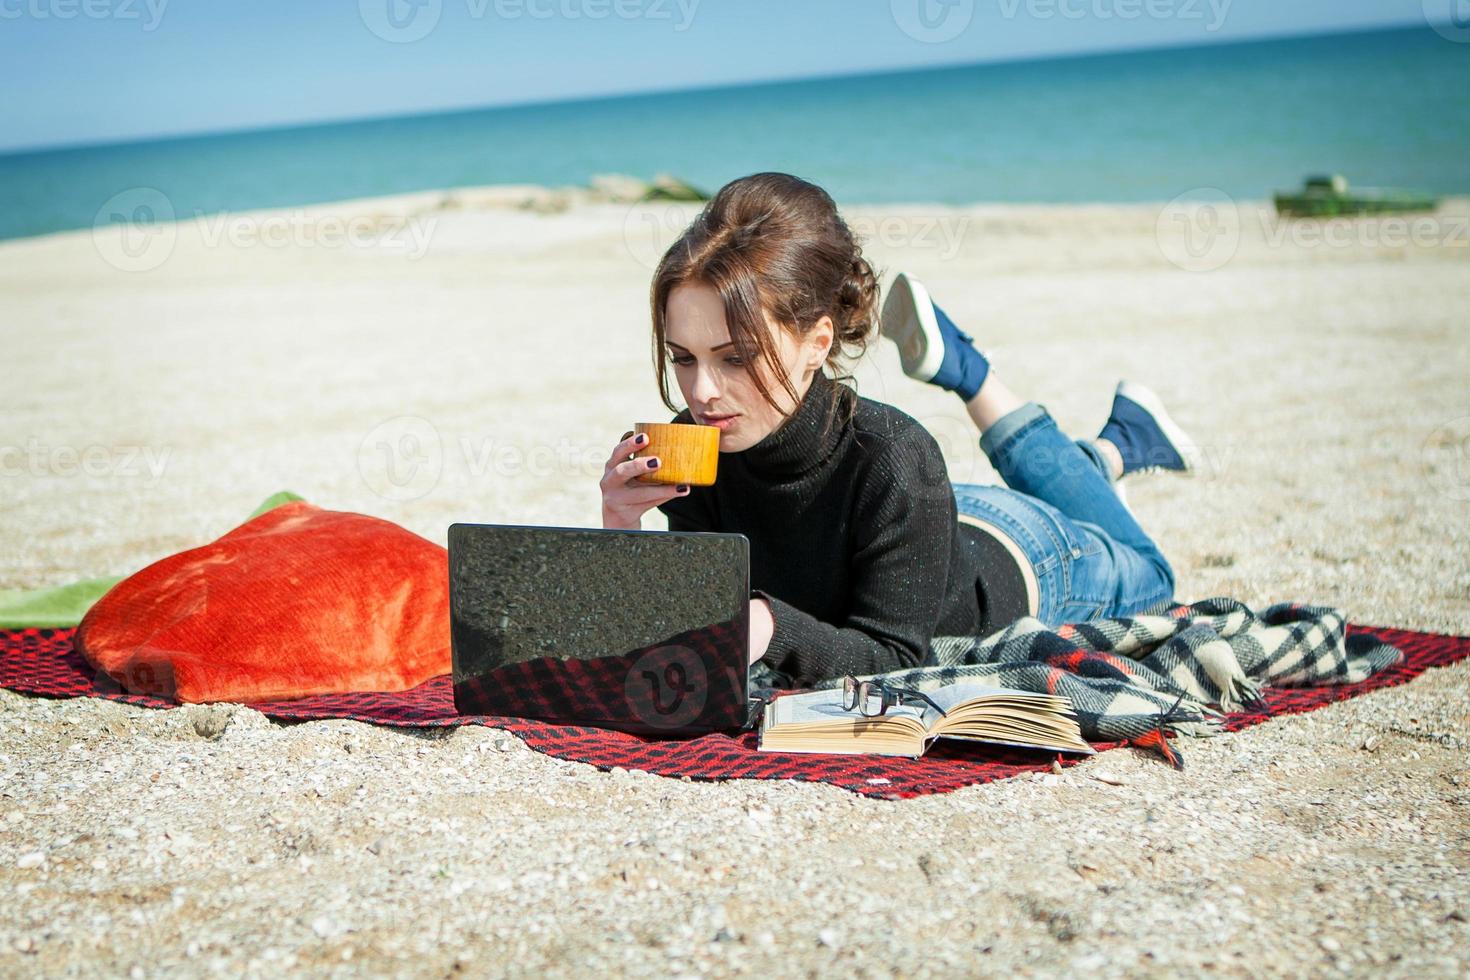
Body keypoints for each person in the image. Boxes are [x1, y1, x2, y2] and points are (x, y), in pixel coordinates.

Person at [598, 172, 1200, 691]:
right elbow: (682, 630)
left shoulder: (896, 455)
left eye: (736, 358)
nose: (701, 392)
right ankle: (1101, 455)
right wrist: (622, 531)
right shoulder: (697, 443)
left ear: (818, 343)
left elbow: (896, 658)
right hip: (923, 521)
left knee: (1154, 577)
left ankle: (978, 376)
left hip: (1032, 557)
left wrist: (772, 626)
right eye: (683, 357)